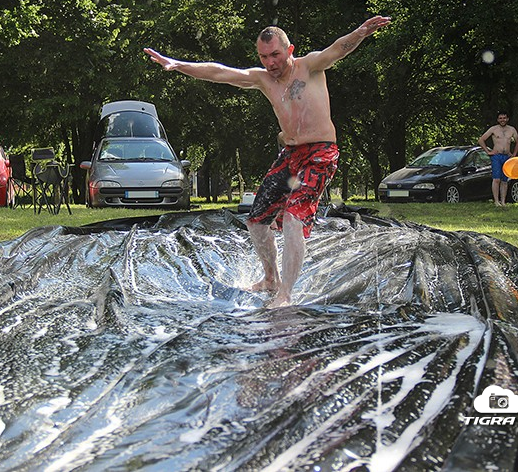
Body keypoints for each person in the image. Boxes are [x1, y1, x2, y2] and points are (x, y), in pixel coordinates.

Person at [144, 16, 391, 307]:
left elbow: (337, 49)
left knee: (293, 219)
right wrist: (178, 65)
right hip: (291, 155)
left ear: (289, 50)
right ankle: (270, 278)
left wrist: (360, 33)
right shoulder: (262, 79)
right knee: (256, 221)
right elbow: (220, 72)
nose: (270, 63)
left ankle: (285, 294)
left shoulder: (309, 66)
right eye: (264, 57)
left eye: (275, 55)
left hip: (320, 153)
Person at [478, 111, 518, 206]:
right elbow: (481, 140)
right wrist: (488, 152)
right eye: (500, 118)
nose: (502, 120)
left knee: (504, 180)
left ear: (507, 119)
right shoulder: (494, 129)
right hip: (496, 156)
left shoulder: (512, 129)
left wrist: (514, 154)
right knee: (496, 179)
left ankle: (503, 201)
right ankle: (496, 201)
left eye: (504, 118)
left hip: (507, 156)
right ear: (497, 120)